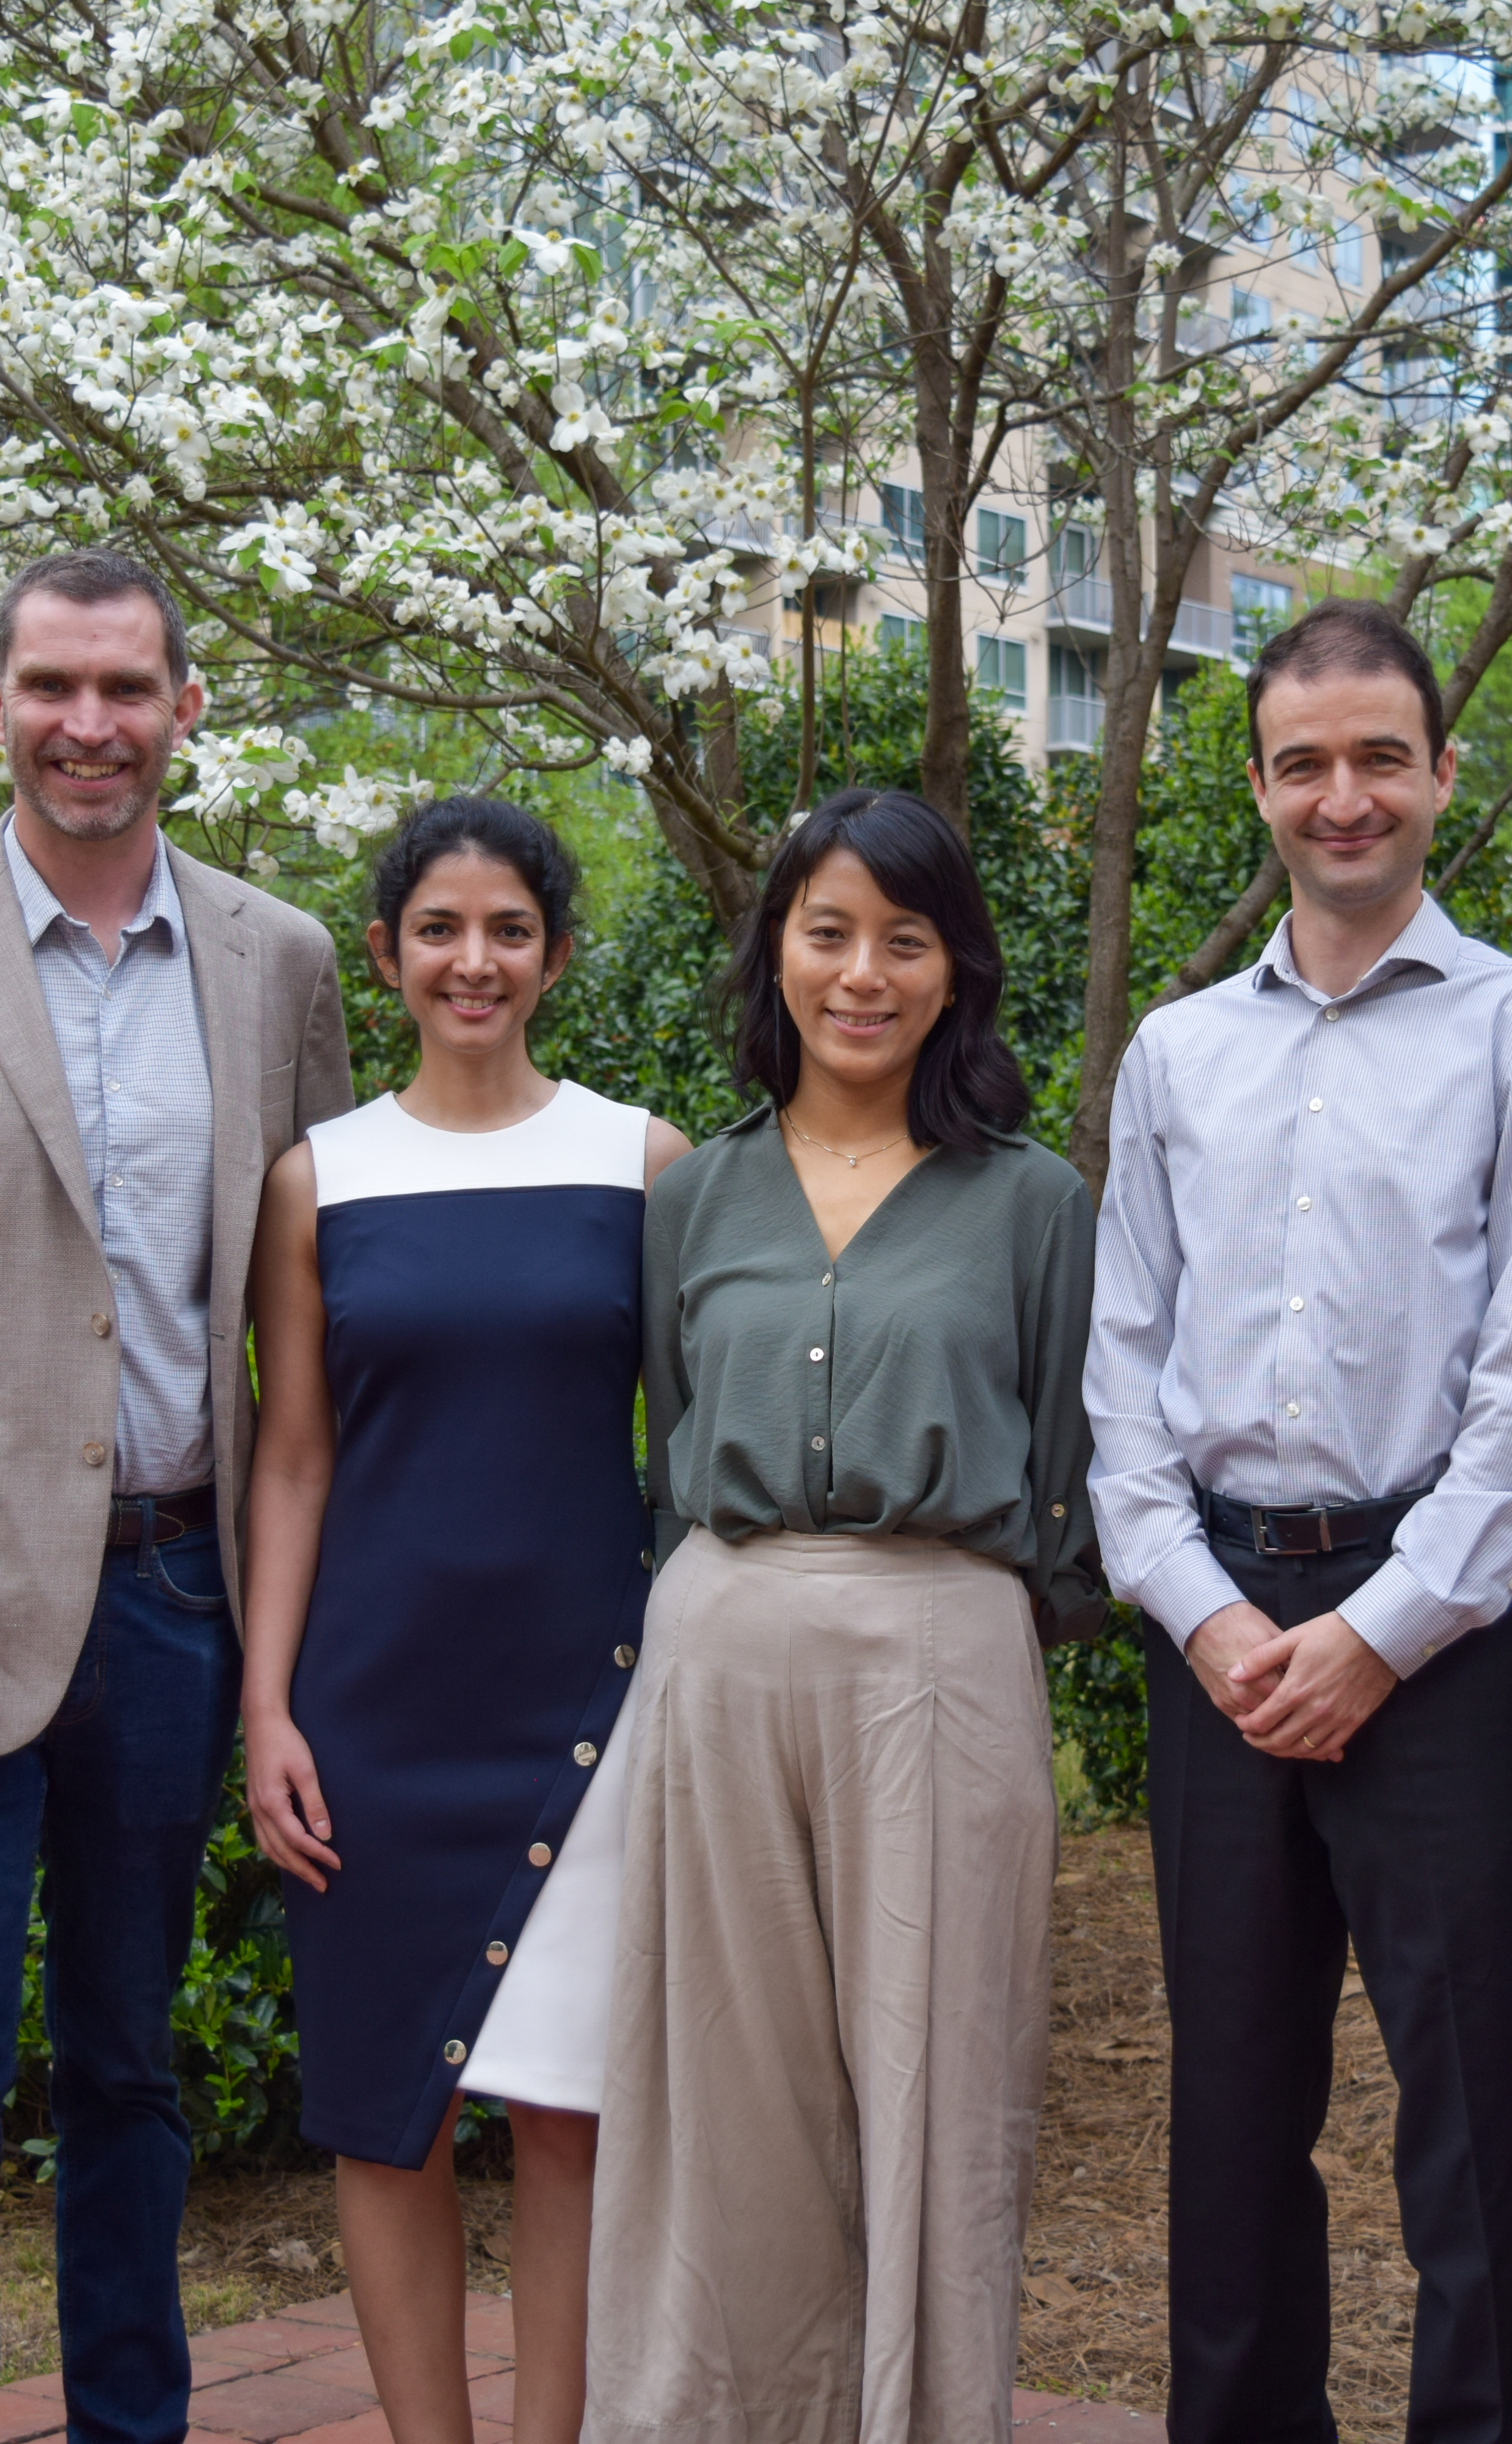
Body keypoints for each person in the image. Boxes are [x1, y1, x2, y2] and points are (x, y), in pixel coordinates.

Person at [0, 548, 352, 2444]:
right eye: (51, 688)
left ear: (188, 710)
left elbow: (313, 1315)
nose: (86, 727)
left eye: (124, 689)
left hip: (179, 1600)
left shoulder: (280, 959)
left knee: (131, 2072)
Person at [1085, 597, 1512, 2444]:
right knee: (1232, 2128)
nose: (1344, 797)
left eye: (1379, 758)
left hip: (1444, 1645)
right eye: (1305, 762)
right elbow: (1124, 1383)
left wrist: (1379, 1633)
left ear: (1440, 772)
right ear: (1255, 784)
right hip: (1219, 1636)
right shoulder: (1174, 1057)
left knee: (1475, 2131)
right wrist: (1209, 1615)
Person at [586, 786, 1100, 2444]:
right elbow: (664, 1440)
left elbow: (1073, 1454)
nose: (862, 973)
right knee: (721, 2096)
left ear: (957, 968)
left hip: (941, 1662)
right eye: (829, 933)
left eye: (905, 937)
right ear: (778, 955)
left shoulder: (1031, 1204)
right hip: (720, 1651)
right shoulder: (691, 1196)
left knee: (937, 2087)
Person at [241, 796, 691, 2444]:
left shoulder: (645, 1162)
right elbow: (292, 1459)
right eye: (440, 929)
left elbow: (694, 1460)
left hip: (592, 1708)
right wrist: (268, 1709)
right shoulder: (319, 1180)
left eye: (509, 929)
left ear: (555, 955)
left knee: (570, 2114)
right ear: (387, 955)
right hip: (371, 1713)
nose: (474, 960)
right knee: (386, 2124)